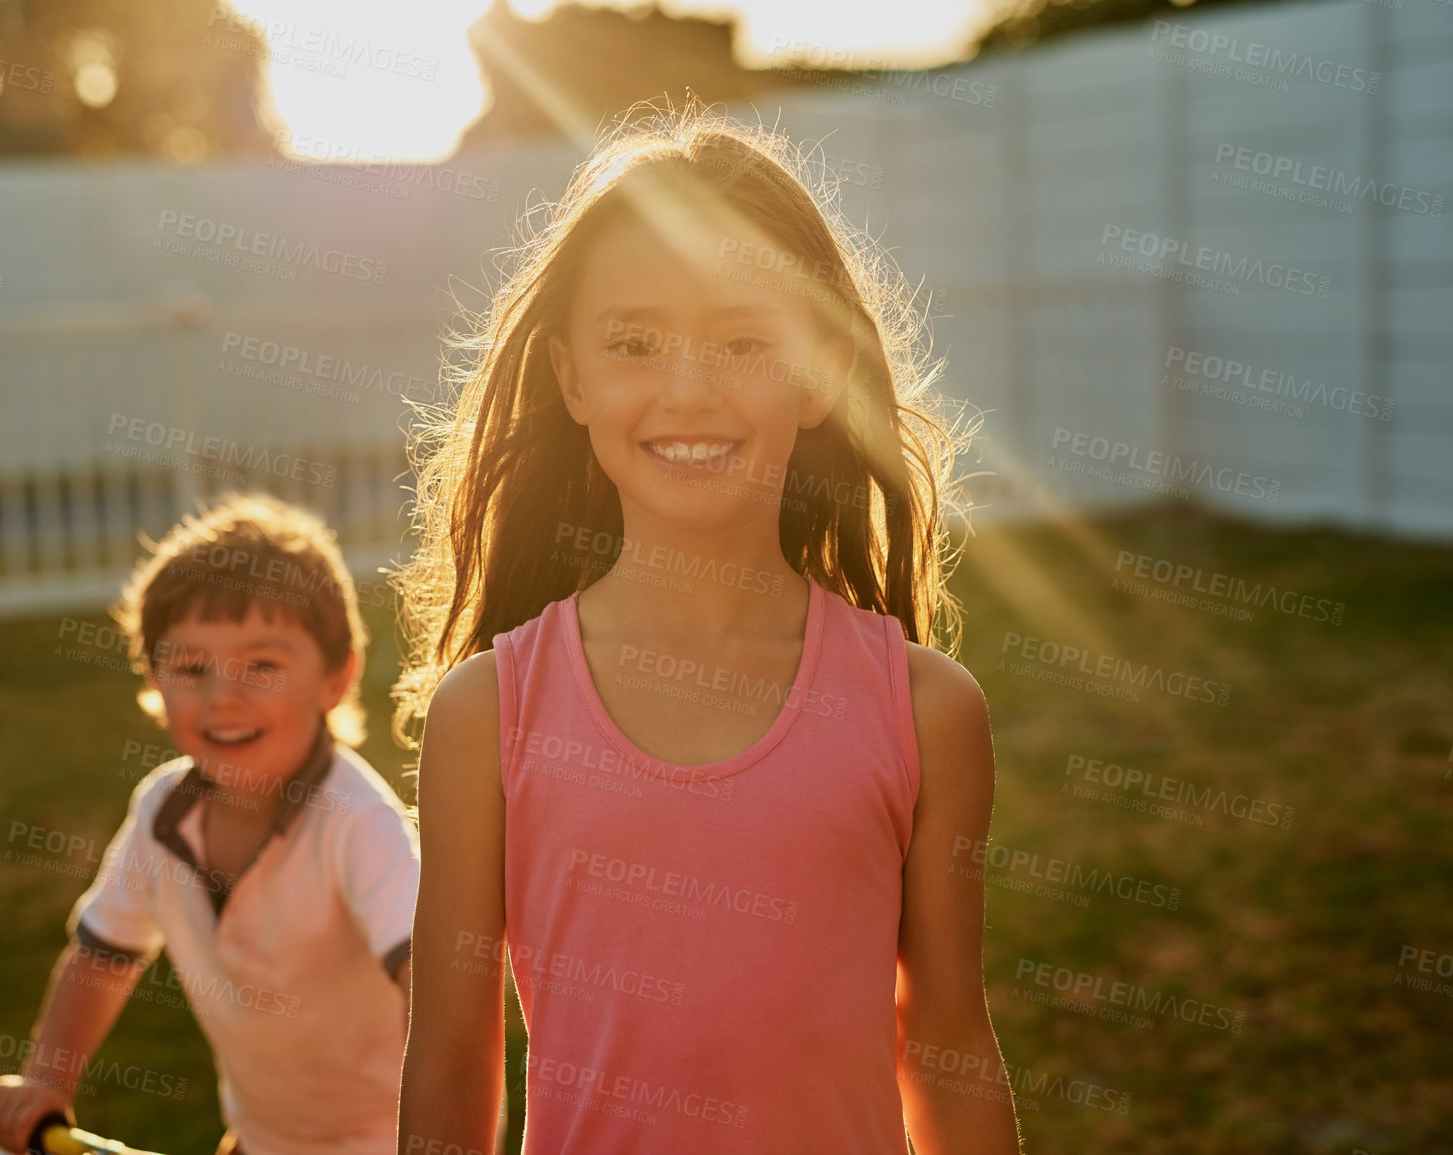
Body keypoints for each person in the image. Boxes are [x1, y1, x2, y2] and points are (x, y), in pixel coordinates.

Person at [394, 104, 1022, 1154]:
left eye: (743, 340)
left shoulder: (926, 711)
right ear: (572, 380)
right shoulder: (486, 715)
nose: (688, 390)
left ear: (821, 370)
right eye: (635, 342)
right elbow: (452, 1064)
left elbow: (946, 1037)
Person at [0, 493, 420, 1155]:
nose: (222, 697)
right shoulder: (163, 810)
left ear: (336, 675)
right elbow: (103, 956)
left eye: (262, 665)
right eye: (190, 668)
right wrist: (47, 1079)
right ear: (153, 679)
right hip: (260, 1136)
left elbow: (437, 987)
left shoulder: (359, 825)